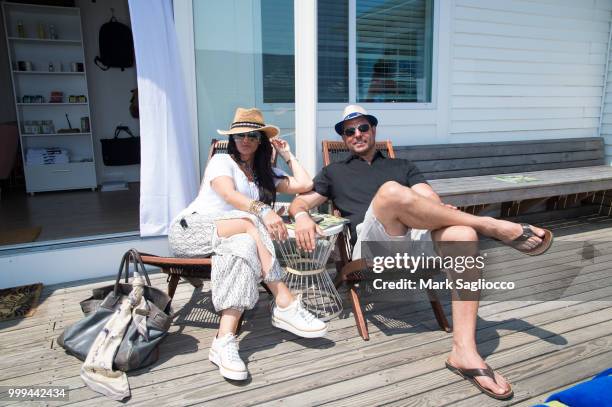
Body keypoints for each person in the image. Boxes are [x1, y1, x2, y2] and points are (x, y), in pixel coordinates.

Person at [288, 105, 554, 400]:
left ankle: (464, 352)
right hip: (372, 243)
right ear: (344, 138)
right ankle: (491, 225)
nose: (358, 134)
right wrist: (301, 216)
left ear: (374, 130)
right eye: (349, 131)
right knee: (390, 191)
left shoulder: (402, 165)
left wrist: (440, 211)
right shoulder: (334, 172)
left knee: (462, 234)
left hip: (414, 235)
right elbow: (299, 204)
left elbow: (430, 200)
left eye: (363, 128)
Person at [169, 107, 327, 381]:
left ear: (260, 142)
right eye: (240, 135)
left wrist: (288, 154)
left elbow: (305, 183)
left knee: (243, 245)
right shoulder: (222, 162)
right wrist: (263, 210)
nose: (246, 140)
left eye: (253, 135)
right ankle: (285, 301)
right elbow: (229, 195)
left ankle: (224, 341)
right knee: (250, 222)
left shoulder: (264, 173)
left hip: (229, 239)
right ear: (232, 138)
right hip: (192, 231)